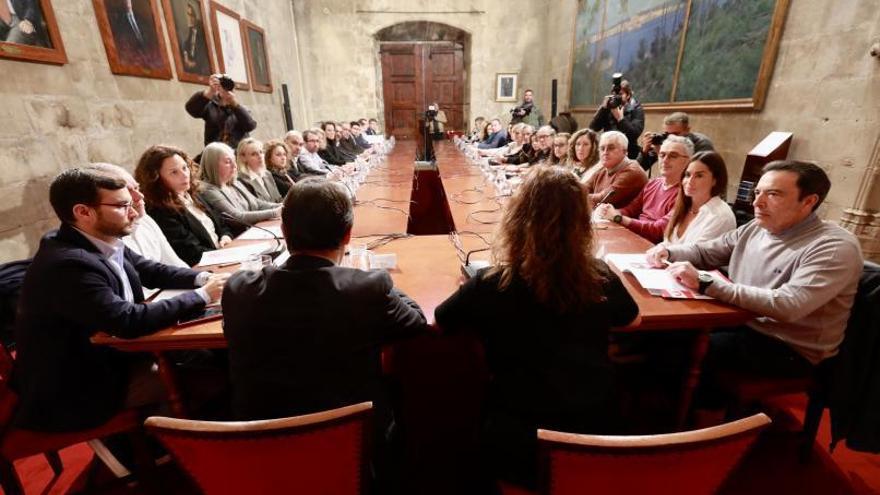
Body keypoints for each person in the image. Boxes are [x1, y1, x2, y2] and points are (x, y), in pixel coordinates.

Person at [435, 166, 639, 489]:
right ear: (581, 224)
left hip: (520, 436)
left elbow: (442, 319)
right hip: (595, 430)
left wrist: (471, 290)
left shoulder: (490, 283)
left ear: (517, 219)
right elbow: (633, 318)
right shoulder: (599, 275)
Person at [222, 178, 427, 486]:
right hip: (351, 449)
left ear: (284, 231)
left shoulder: (238, 289)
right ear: (347, 234)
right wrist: (379, 279)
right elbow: (415, 322)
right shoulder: (367, 288)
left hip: (262, 448)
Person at [12, 167, 228, 432]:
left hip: (115, 357)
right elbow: (127, 321)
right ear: (83, 212)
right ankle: (180, 449)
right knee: (217, 377)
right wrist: (202, 296)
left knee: (212, 355)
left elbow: (151, 270)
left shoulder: (97, 238)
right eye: (123, 205)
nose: (135, 211)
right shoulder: (68, 264)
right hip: (81, 385)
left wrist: (202, 279)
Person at [645, 161, 863, 415]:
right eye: (758, 192)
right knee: (662, 335)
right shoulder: (756, 227)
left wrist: (706, 283)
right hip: (743, 321)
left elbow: (789, 305)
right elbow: (708, 251)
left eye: (773, 194)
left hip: (787, 346)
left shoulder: (833, 247)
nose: (757, 203)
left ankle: (699, 424)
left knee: (681, 348)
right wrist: (668, 250)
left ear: (809, 201)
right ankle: (678, 405)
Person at [135, 144, 233, 267]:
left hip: (223, 257)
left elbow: (222, 224)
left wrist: (226, 237)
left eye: (185, 168)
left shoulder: (194, 195)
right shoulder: (159, 210)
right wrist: (227, 256)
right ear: (156, 178)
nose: (185, 175)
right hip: (204, 268)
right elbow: (191, 253)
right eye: (174, 172)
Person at [593, 135, 693, 243]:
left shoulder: (687, 192)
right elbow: (631, 210)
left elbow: (659, 231)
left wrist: (618, 218)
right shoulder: (654, 183)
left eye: (673, 156)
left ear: (689, 161)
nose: (665, 160)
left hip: (654, 249)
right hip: (634, 239)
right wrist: (610, 211)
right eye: (662, 155)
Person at [88, 163, 189, 269]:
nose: (140, 196)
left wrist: (202, 278)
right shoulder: (107, 235)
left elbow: (175, 266)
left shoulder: (146, 220)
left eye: (137, 188)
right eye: (128, 191)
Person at [197, 142, 280, 235]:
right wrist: (275, 212)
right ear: (212, 165)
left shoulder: (234, 183)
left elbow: (257, 203)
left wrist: (283, 206)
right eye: (228, 162)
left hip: (256, 232)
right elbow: (237, 217)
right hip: (240, 238)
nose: (234, 166)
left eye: (234, 161)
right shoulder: (208, 191)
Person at [663, 151, 737, 245]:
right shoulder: (685, 206)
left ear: (715, 180)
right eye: (688, 175)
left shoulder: (721, 216)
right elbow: (667, 244)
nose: (690, 181)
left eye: (699, 176)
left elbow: (697, 255)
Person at [185, 74, 257, 150]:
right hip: (216, 152)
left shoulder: (241, 108)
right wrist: (210, 92)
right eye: (223, 84)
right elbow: (191, 109)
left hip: (238, 153)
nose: (226, 88)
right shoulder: (210, 106)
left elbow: (250, 126)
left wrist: (234, 103)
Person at [582, 131, 648, 208]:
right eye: (602, 148)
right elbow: (583, 188)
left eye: (611, 148)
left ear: (625, 151)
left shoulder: (632, 171)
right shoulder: (603, 169)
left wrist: (577, 196)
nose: (605, 152)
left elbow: (604, 198)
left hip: (623, 218)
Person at [638, 112, 715, 172]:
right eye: (667, 134)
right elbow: (638, 170)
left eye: (675, 134)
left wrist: (660, 154)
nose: (671, 138)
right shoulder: (664, 141)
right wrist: (644, 152)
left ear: (687, 130)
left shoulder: (702, 144)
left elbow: (694, 173)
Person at [588, 79, 644, 159]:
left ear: (628, 95)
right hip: (607, 151)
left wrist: (620, 119)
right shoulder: (608, 106)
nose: (617, 97)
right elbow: (593, 128)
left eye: (621, 94)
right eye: (615, 94)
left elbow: (634, 134)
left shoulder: (636, 108)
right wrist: (603, 108)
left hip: (628, 153)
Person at [235, 138, 283, 203]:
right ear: (243, 158)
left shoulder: (267, 174)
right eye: (254, 154)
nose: (260, 156)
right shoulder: (241, 181)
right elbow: (255, 207)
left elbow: (278, 199)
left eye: (261, 152)